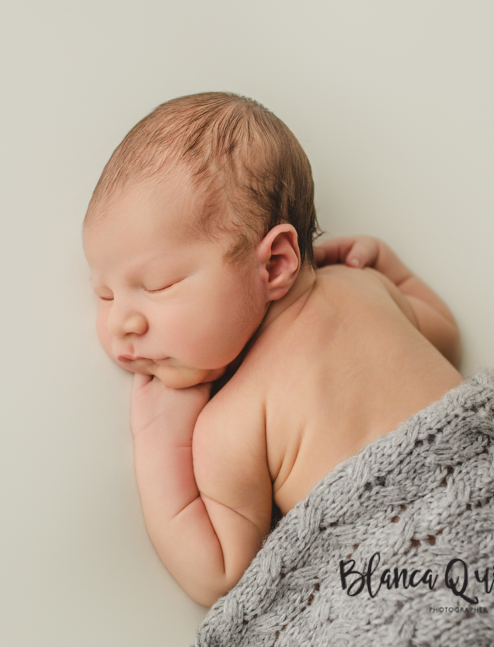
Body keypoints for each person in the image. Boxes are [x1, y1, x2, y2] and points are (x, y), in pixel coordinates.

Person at [81, 92, 464, 607]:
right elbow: (446, 336)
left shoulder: (235, 421)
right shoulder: (367, 289)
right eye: (104, 294)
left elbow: (218, 574)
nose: (121, 322)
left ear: (275, 264)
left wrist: (157, 438)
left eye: (158, 285)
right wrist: (389, 267)